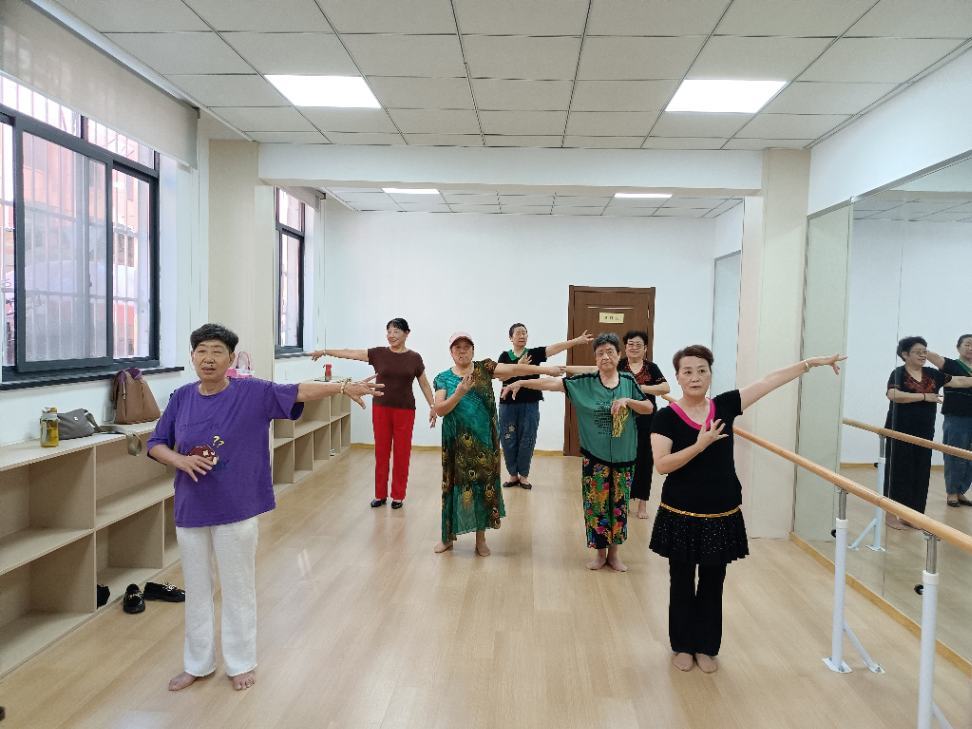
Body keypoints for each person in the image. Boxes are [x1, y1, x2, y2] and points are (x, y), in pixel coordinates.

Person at [148, 323, 382, 692]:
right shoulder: (182, 397)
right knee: (197, 588)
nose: (208, 358)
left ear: (230, 358)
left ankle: (240, 662)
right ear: (192, 357)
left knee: (237, 588)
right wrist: (179, 460)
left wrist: (341, 387)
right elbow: (157, 443)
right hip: (191, 507)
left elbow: (298, 390)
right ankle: (197, 663)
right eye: (201, 351)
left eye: (217, 351)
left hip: (236, 507)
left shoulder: (252, 392)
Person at [649, 345, 844, 674]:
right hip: (681, 512)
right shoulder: (665, 417)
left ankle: (706, 646)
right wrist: (700, 445)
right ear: (678, 377)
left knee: (713, 581)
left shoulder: (724, 405)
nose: (695, 377)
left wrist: (809, 363)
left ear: (710, 375)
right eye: (688, 371)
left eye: (702, 370)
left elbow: (768, 381)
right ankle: (682, 645)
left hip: (721, 511)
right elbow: (662, 465)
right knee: (681, 580)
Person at [501, 333, 654, 572]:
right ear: (595, 358)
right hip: (595, 457)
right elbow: (552, 384)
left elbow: (648, 407)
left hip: (624, 457)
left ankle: (614, 555)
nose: (605, 357)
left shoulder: (628, 381)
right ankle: (600, 554)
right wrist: (521, 382)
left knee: (619, 507)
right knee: (597, 507)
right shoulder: (585, 382)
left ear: (619, 355)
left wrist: (628, 401)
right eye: (600, 353)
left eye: (610, 352)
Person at [432, 332, 564, 557]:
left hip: (484, 444)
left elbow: (514, 369)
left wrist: (546, 370)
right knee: (452, 487)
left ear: (473, 350)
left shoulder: (484, 368)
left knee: (483, 488)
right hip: (455, 445)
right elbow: (440, 409)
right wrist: (459, 393)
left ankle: (480, 539)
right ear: (451, 352)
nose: (462, 351)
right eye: (457, 347)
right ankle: (447, 537)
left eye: (466, 347)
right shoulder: (443, 378)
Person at [310, 318, 434, 509]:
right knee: (381, 452)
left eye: (396, 331)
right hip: (381, 409)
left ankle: (398, 496)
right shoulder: (378, 354)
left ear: (406, 333)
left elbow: (424, 384)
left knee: (402, 453)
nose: (391, 335)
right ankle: (380, 494)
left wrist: (433, 406)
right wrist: (325, 351)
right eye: (389, 331)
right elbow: (350, 353)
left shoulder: (415, 358)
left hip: (405, 410)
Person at [884, 336, 972, 526]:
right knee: (898, 471)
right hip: (899, 430)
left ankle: (912, 516)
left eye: (924, 351)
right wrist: (924, 396)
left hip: (924, 431)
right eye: (918, 352)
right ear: (905, 354)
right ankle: (891, 515)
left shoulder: (932, 374)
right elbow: (893, 394)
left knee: (921, 472)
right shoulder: (898, 373)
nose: (923, 355)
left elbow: (958, 381)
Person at [497, 324, 592, 490]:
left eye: (525, 333)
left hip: (530, 404)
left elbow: (554, 348)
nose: (522, 335)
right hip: (508, 405)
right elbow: (500, 377)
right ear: (511, 338)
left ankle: (523, 476)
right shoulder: (504, 356)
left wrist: (577, 341)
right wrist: (518, 365)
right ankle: (512, 475)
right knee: (508, 439)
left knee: (528, 439)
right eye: (518, 333)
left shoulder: (533, 354)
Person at [618, 330, 670, 519]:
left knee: (645, 460)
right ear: (625, 347)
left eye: (638, 345)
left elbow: (665, 388)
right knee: (623, 460)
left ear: (645, 348)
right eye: (630, 344)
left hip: (647, 419)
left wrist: (641, 388)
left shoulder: (651, 367)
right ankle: (622, 501)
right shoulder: (619, 365)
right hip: (623, 419)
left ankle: (642, 504)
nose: (634, 348)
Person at [929, 335, 972, 506]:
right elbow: (935, 358)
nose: (971, 348)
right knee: (954, 454)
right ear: (958, 347)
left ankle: (961, 491)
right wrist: (919, 349)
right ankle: (952, 492)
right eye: (967, 344)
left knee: (970, 457)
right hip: (956, 417)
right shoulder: (952, 365)